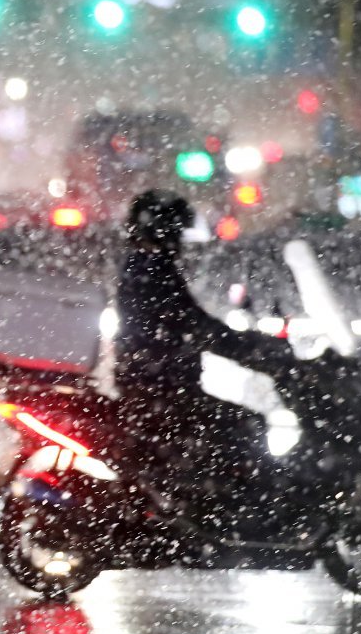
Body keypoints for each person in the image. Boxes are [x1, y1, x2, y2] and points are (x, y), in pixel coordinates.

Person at [114, 190, 296, 515]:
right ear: (165, 231)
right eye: (176, 233)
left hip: (157, 382)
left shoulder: (146, 265)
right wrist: (253, 349)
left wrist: (247, 344)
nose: (181, 242)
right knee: (246, 425)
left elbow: (191, 322)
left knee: (230, 428)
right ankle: (229, 510)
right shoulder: (151, 271)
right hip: (160, 386)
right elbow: (194, 324)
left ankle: (209, 503)